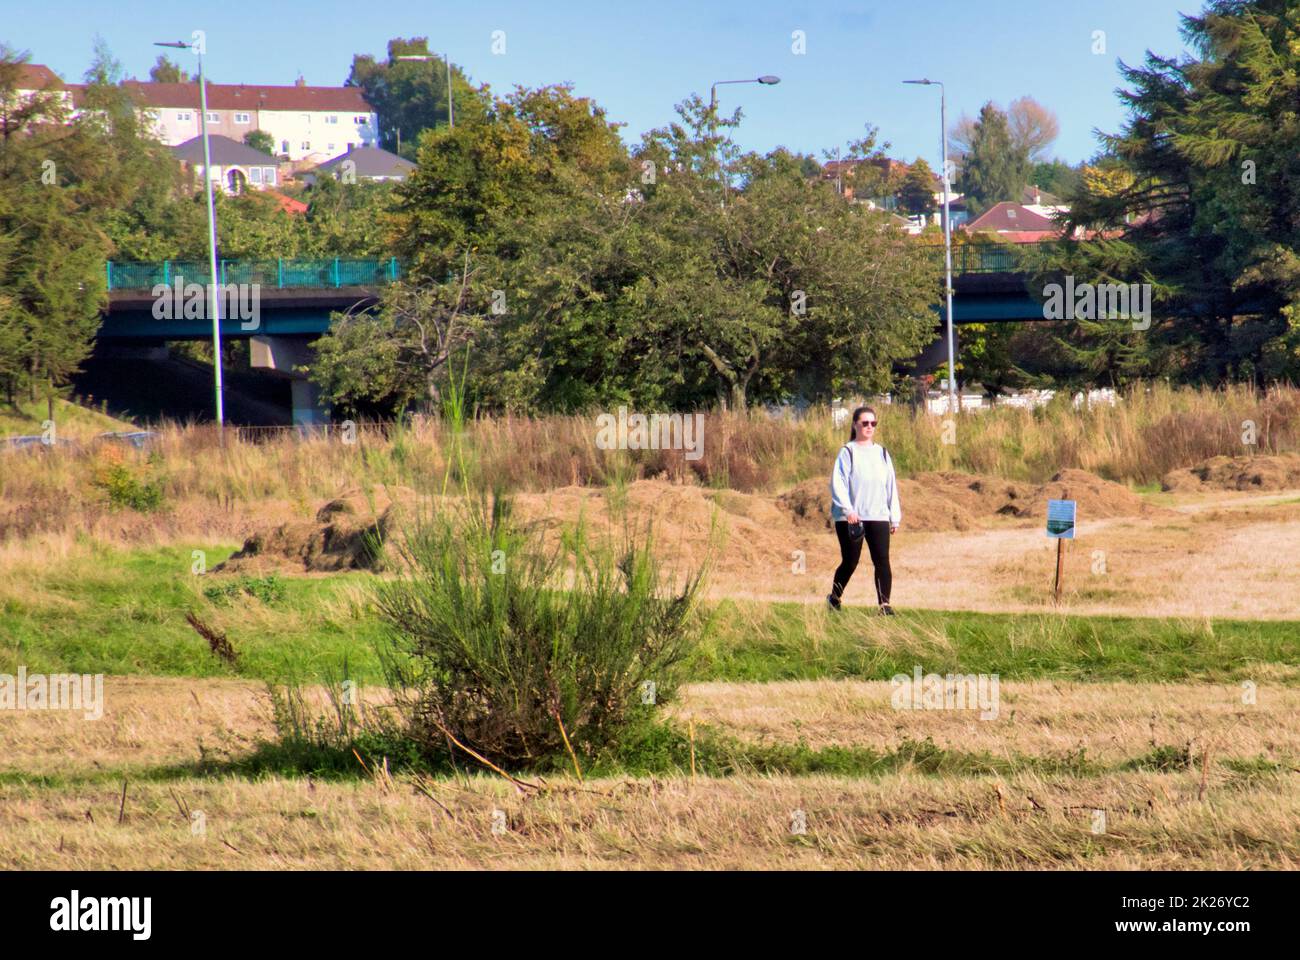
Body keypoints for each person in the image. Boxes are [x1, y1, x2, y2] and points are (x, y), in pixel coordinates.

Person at [827, 406, 901, 614]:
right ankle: (834, 598)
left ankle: (884, 605)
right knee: (850, 561)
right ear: (855, 425)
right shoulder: (848, 451)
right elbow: (838, 483)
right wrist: (848, 510)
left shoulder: (883, 453)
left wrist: (894, 517)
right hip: (851, 517)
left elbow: (891, 485)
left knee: (882, 560)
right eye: (865, 423)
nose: (869, 427)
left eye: (873, 423)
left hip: (878, 515)